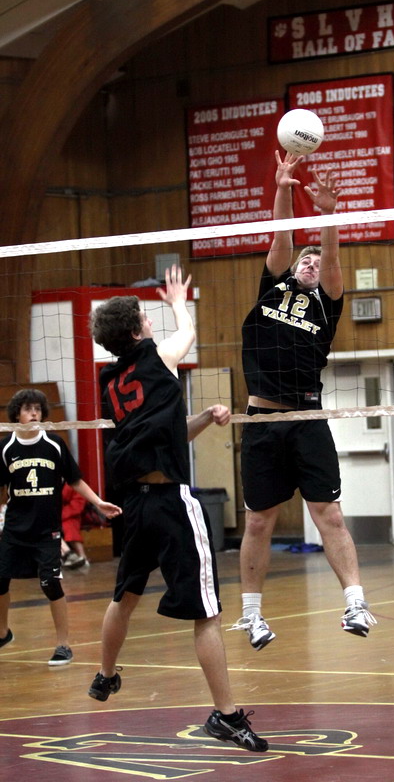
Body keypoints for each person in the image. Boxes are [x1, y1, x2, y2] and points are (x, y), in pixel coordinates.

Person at [89, 266, 268, 753]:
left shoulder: (111, 381)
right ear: (135, 332)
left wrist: (205, 418)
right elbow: (188, 332)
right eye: (145, 318)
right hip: (170, 502)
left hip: (134, 506)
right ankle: (226, 716)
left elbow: (161, 434)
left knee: (124, 596)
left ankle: (105, 675)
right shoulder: (158, 357)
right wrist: (176, 302)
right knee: (207, 614)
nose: (151, 322)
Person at [232, 150, 377, 651]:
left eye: (316, 260)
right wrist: (282, 188)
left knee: (328, 514)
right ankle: (251, 615)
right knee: (258, 520)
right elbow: (281, 238)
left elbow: (332, 259)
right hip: (261, 420)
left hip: (308, 420)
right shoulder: (272, 287)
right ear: (293, 268)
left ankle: (355, 602)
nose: (312, 261)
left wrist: (329, 213)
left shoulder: (326, 305)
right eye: (304, 258)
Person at [0, 389, 122, 665]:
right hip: (15, 529)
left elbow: (75, 479)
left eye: (37, 409)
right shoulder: (6, 447)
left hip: (47, 531)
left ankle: (63, 645)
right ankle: (3, 632)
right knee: (0, 580)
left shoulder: (54, 444)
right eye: (28, 409)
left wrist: (98, 503)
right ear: (17, 414)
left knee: (51, 583)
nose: (33, 414)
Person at [61, 482, 91, 569]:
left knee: (69, 526)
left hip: (71, 514)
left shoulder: (73, 483)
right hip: (55, 515)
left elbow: (78, 502)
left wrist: (62, 515)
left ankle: (82, 556)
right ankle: (67, 555)